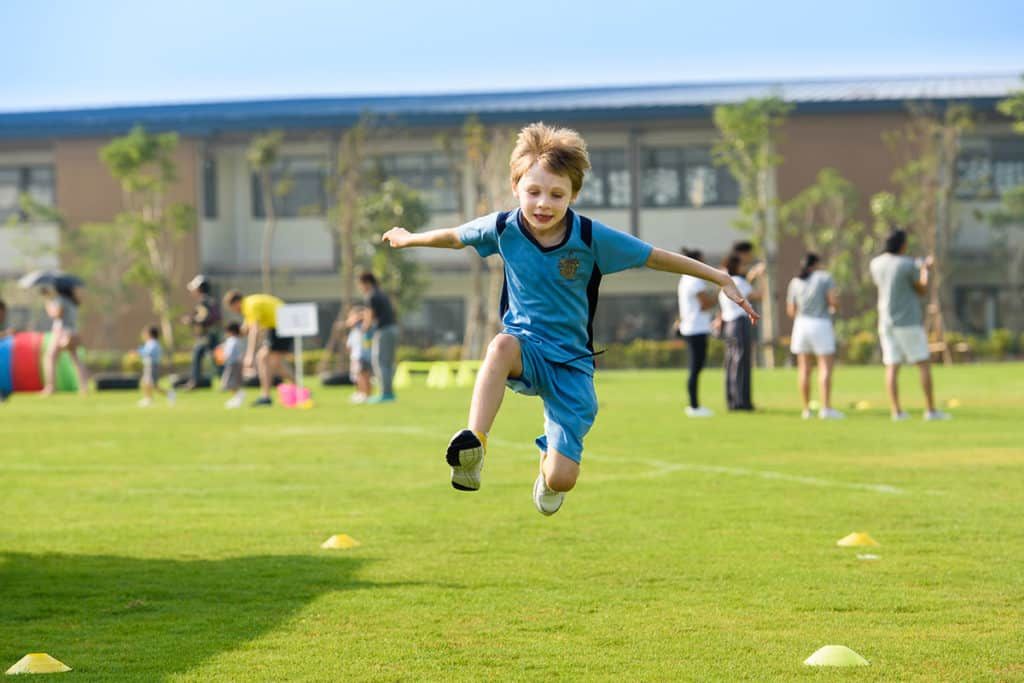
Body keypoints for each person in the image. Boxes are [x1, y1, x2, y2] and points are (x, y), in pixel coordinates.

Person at [381, 122, 758, 516]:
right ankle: (475, 443)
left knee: (563, 479)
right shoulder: (502, 227)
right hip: (526, 348)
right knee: (501, 344)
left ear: (574, 195)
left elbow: (656, 257)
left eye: (556, 195)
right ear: (516, 189)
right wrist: (410, 239)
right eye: (533, 192)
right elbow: (455, 236)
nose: (543, 203)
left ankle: (547, 472)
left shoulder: (592, 238)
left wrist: (719, 277)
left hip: (573, 366)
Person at [869, 229, 950, 421]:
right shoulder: (907, 264)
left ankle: (896, 411)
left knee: (892, 365)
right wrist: (925, 271)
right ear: (902, 245)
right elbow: (921, 289)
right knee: (922, 363)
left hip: (885, 321)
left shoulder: (875, 263)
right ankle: (930, 410)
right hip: (907, 321)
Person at [786, 253, 844, 419]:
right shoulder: (825, 278)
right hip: (820, 323)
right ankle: (825, 408)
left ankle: (806, 409)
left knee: (804, 369)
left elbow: (790, 311)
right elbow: (833, 302)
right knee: (825, 367)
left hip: (801, 325)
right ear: (816, 264)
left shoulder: (795, 282)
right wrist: (835, 305)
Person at [222, 290, 294, 407]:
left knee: (263, 358)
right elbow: (246, 329)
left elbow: (254, 330)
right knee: (272, 363)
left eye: (232, 308)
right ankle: (297, 387)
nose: (234, 311)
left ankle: (266, 397)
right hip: (279, 326)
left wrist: (249, 355)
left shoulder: (250, 306)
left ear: (236, 303)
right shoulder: (250, 303)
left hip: (282, 326)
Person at [717, 253, 764, 411]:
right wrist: (761, 277)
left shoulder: (725, 282)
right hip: (739, 323)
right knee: (742, 364)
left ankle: (732, 400)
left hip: (728, 325)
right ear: (736, 266)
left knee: (731, 363)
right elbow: (759, 295)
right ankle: (742, 403)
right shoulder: (739, 282)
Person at [676, 248, 716, 417]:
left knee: (695, 367)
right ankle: (694, 406)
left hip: (691, 327)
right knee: (695, 367)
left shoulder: (685, 279)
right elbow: (706, 304)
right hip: (696, 328)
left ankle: (694, 405)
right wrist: (719, 292)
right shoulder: (694, 280)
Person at [357, 272, 398, 404]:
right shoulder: (381, 293)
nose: (360, 288)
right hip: (392, 329)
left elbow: (369, 317)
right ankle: (388, 393)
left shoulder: (371, 296)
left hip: (383, 331)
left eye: (361, 284)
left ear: (367, 283)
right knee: (387, 363)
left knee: (380, 362)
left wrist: (363, 330)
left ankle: (385, 394)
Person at [41, 285, 88, 396]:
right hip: (73, 332)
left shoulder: (60, 300)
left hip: (61, 332)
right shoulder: (73, 302)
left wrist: (47, 302)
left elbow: (56, 314)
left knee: (50, 358)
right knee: (76, 359)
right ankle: (84, 387)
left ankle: (51, 387)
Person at [182, 275, 221, 390]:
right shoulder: (209, 300)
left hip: (207, 335)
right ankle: (224, 380)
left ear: (199, 288)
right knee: (215, 358)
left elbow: (206, 317)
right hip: (211, 334)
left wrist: (191, 320)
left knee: (200, 355)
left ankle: (195, 381)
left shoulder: (204, 302)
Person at [137, 325, 175, 407]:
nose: (143, 335)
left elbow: (148, 353)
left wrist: (140, 351)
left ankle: (168, 394)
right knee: (145, 383)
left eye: (145, 333)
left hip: (152, 366)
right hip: (148, 366)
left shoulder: (153, 343)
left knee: (152, 385)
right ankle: (148, 399)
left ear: (150, 334)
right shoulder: (150, 343)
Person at [345, 305, 373, 403]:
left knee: (362, 376)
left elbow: (349, 322)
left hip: (360, 355)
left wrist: (360, 315)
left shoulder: (362, 327)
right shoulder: (355, 330)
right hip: (356, 356)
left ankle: (364, 394)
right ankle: (362, 393)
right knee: (359, 376)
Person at [219, 321, 246, 409]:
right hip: (236, 363)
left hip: (232, 364)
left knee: (229, 382)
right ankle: (237, 396)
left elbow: (228, 353)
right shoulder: (238, 340)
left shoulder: (232, 340)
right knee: (233, 382)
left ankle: (238, 396)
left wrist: (223, 357)